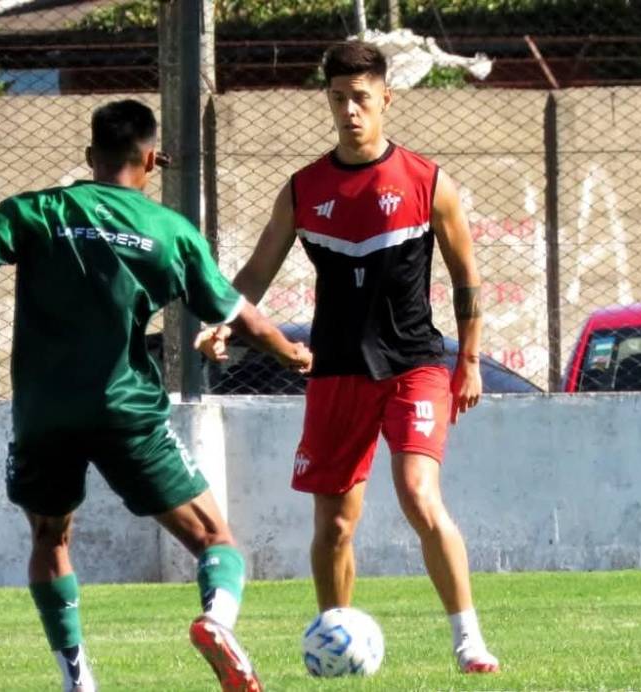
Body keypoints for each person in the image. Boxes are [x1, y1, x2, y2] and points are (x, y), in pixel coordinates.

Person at [0, 99, 312, 692]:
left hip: (44, 414)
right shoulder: (171, 233)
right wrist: (295, 355)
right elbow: (247, 321)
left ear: (89, 157)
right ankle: (217, 621)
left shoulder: (36, 210)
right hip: (125, 410)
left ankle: (77, 681)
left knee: (50, 536)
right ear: (151, 159)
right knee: (214, 538)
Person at [198, 41, 499, 674]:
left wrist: (468, 358)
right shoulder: (305, 189)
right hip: (335, 368)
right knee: (334, 524)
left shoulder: (427, 181)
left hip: (415, 363)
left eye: (362, 97)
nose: (351, 110)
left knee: (419, 494)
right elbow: (254, 271)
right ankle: (333, 639)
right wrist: (223, 319)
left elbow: (467, 275)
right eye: (339, 99)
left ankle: (468, 640)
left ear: (386, 98)